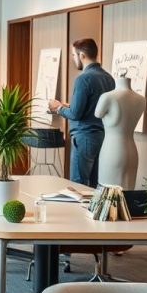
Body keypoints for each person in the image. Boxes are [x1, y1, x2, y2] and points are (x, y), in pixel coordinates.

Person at [48, 38, 115, 187]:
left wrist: (58, 108)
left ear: (82, 55)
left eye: (73, 55)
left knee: (78, 186)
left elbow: (75, 114)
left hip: (84, 137)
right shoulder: (109, 79)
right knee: (94, 186)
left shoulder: (83, 79)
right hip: (102, 137)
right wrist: (68, 106)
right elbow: (95, 108)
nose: (73, 59)